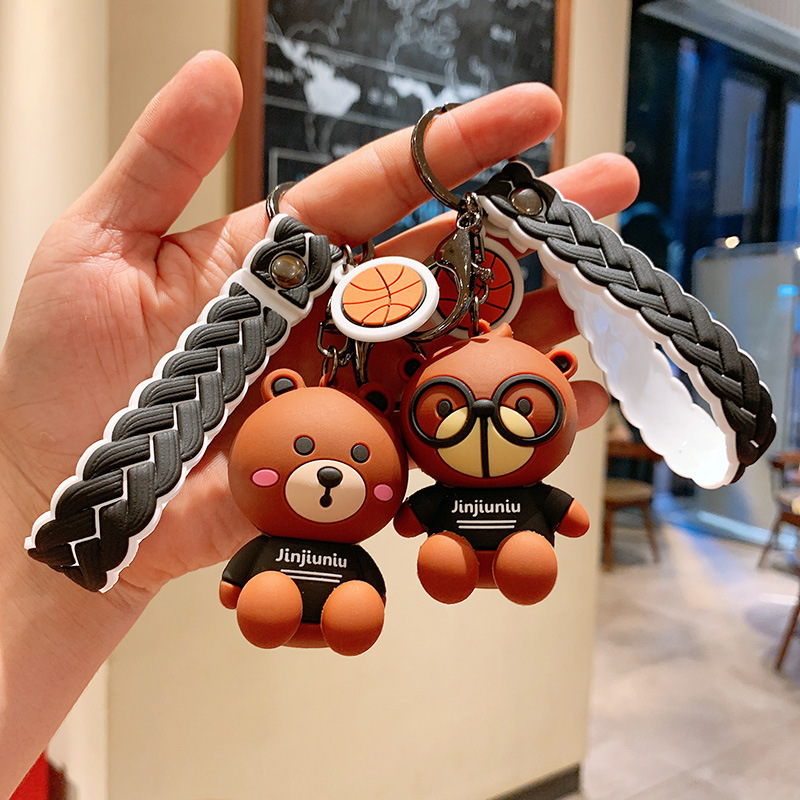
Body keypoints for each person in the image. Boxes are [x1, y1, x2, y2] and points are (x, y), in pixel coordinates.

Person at [0, 50, 638, 795]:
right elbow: (403, 522)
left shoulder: (416, 432)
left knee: (406, 591)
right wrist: (26, 493)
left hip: (447, 517)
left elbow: (426, 515)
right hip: (214, 512)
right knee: (294, 600)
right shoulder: (286, 400)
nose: (330, 470)